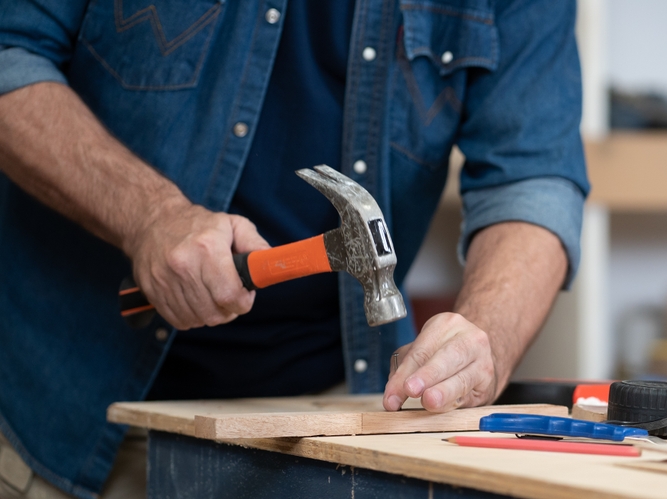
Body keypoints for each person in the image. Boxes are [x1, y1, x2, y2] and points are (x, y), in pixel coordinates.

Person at [0, 0, 588, 497]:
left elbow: (533, 175)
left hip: (329, 427)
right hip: (64, 406)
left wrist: (487, 338)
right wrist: (147, 214)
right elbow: (9, 50)